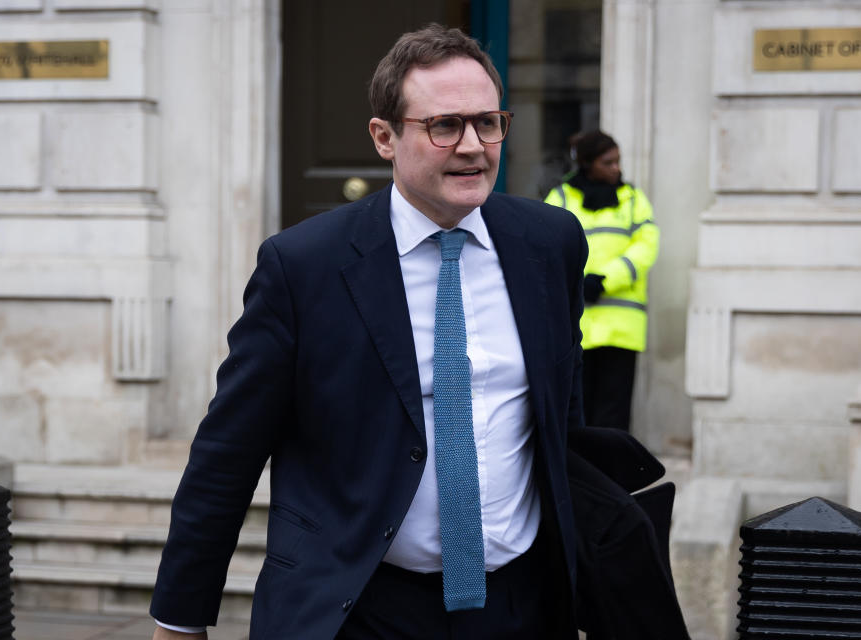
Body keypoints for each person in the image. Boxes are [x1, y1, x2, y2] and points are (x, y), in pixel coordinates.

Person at [150, 24, 588, 639]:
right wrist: (179, 621)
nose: (472, 146)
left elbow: (563, 417)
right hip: (358, 607)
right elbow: (228, 454)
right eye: (444, 125)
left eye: (488, 123)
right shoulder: (303, 266)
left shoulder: (551, 242)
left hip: (521, 605)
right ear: (384, 138)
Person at [545, 131, 659, 432]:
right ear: (586, 164)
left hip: (622, 329)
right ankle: (580, 480)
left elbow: (646, 247)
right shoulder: (561, 198)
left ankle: (611, 480)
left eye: (618, 162)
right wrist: (578, 282)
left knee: (613, 417)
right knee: (575, 417)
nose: (616, 169)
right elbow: (546, 247)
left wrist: (605, 280)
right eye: (608, 162)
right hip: (575, 329)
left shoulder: (633, 200)